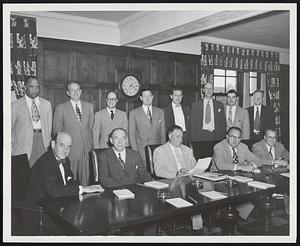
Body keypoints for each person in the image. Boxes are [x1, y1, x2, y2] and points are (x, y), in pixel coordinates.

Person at [26, 132, 103, 204]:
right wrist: (82, 189)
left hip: (57, 202)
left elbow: (69, 180)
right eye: (62, 145)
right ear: (53, 144)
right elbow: (54, 191)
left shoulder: (65, 160)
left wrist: (86, 189)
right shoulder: (45, 163)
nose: (65, 150)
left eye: (68, 146)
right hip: (41, 208)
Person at [53, 81, 94, 186]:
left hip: (86, 151)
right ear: (68, 93)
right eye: (72, 90)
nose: (75, 92)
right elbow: (57, 132)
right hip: (70, 152)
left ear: (81, 91)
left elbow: (91, 128)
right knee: (70, 181)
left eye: (77, 90)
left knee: (87, 182)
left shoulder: (89, 107)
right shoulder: (60, 108)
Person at [11, 76, 52, 167]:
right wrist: (12, 149)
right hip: (23, 147)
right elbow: (9, 130)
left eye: (37, 87)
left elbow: (49, 129)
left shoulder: (47, 104)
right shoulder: (15, 106)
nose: (35, 90)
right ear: (25, 87)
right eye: (31, 87)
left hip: (42, 144)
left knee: (41, 174)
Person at [128, 88, 166, 163]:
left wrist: (163, 150)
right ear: (141, 98)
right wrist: (136, 153)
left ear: (152, 97)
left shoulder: (160, 112)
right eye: (145, 96)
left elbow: (163, 133)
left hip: (157, 150)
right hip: (142, 151)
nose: (147, 98)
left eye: (149, 96)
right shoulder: (134, 113)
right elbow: (131, 135)